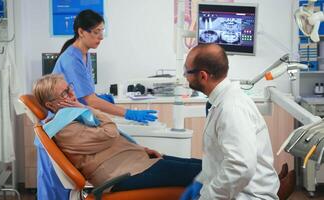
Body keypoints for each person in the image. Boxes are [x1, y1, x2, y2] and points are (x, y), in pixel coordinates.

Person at [32, 74, 201, 192]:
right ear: (51, 105)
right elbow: (110, 133)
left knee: (200, 165)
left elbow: (107, 142)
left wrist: (141, 150)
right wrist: (87, 107)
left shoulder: (73, 117)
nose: (72, 94)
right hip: (121, 174)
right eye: (65, 93)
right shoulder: (63, 129)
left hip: (132, 162)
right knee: (203, 172)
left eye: (69, 88)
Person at [180, 44, 280, 200]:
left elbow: (240, 167)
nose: (184, 75)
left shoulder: (231, 108)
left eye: (187, 71)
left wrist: (207, 197)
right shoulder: (220, 101)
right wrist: (200, 182)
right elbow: (218, 158)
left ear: (203, 76)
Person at [52, 9, 156, 124]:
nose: (101, 37)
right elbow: (90, 101)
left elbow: (86, 95)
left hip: (78, 114)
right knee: (117, 134)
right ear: (81, 32)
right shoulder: (71, 59)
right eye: (96, 32)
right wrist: (129, 113)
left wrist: (98, 97)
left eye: (102, 31)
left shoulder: (85, 54)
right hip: (65, 120)